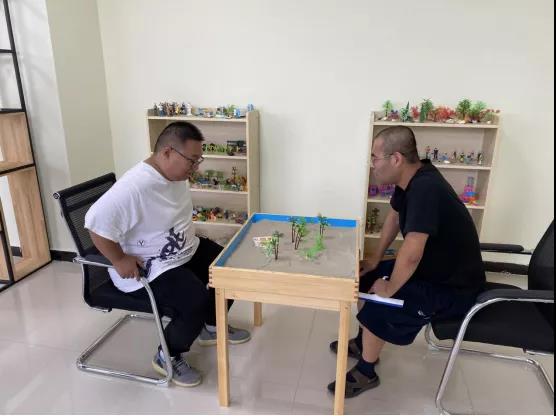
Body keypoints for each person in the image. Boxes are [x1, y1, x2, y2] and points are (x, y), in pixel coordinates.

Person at [85, 121, 250, 388]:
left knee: (230, 267)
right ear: (167, 152)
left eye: (198, 160)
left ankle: (211, 325)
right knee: (194, 298)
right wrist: (119, 260)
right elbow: (95, 223)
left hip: (184, 250)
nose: (196, 167)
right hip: (151, 265)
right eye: (192, 160)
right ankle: (167, 355)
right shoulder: (134, 187)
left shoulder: (175, 175)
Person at [329, 126, 486, 398]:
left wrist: (390, 288)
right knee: (366, 278)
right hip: (430, 270)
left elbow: (412, 251)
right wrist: (375, 259)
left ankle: (366, 371)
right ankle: (364, 342)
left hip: (452, 288)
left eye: (375, 157)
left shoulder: (425, 189)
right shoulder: (414, 177)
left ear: (396, 159)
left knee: (380, 301)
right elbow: (394, 216)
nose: (372, 164)